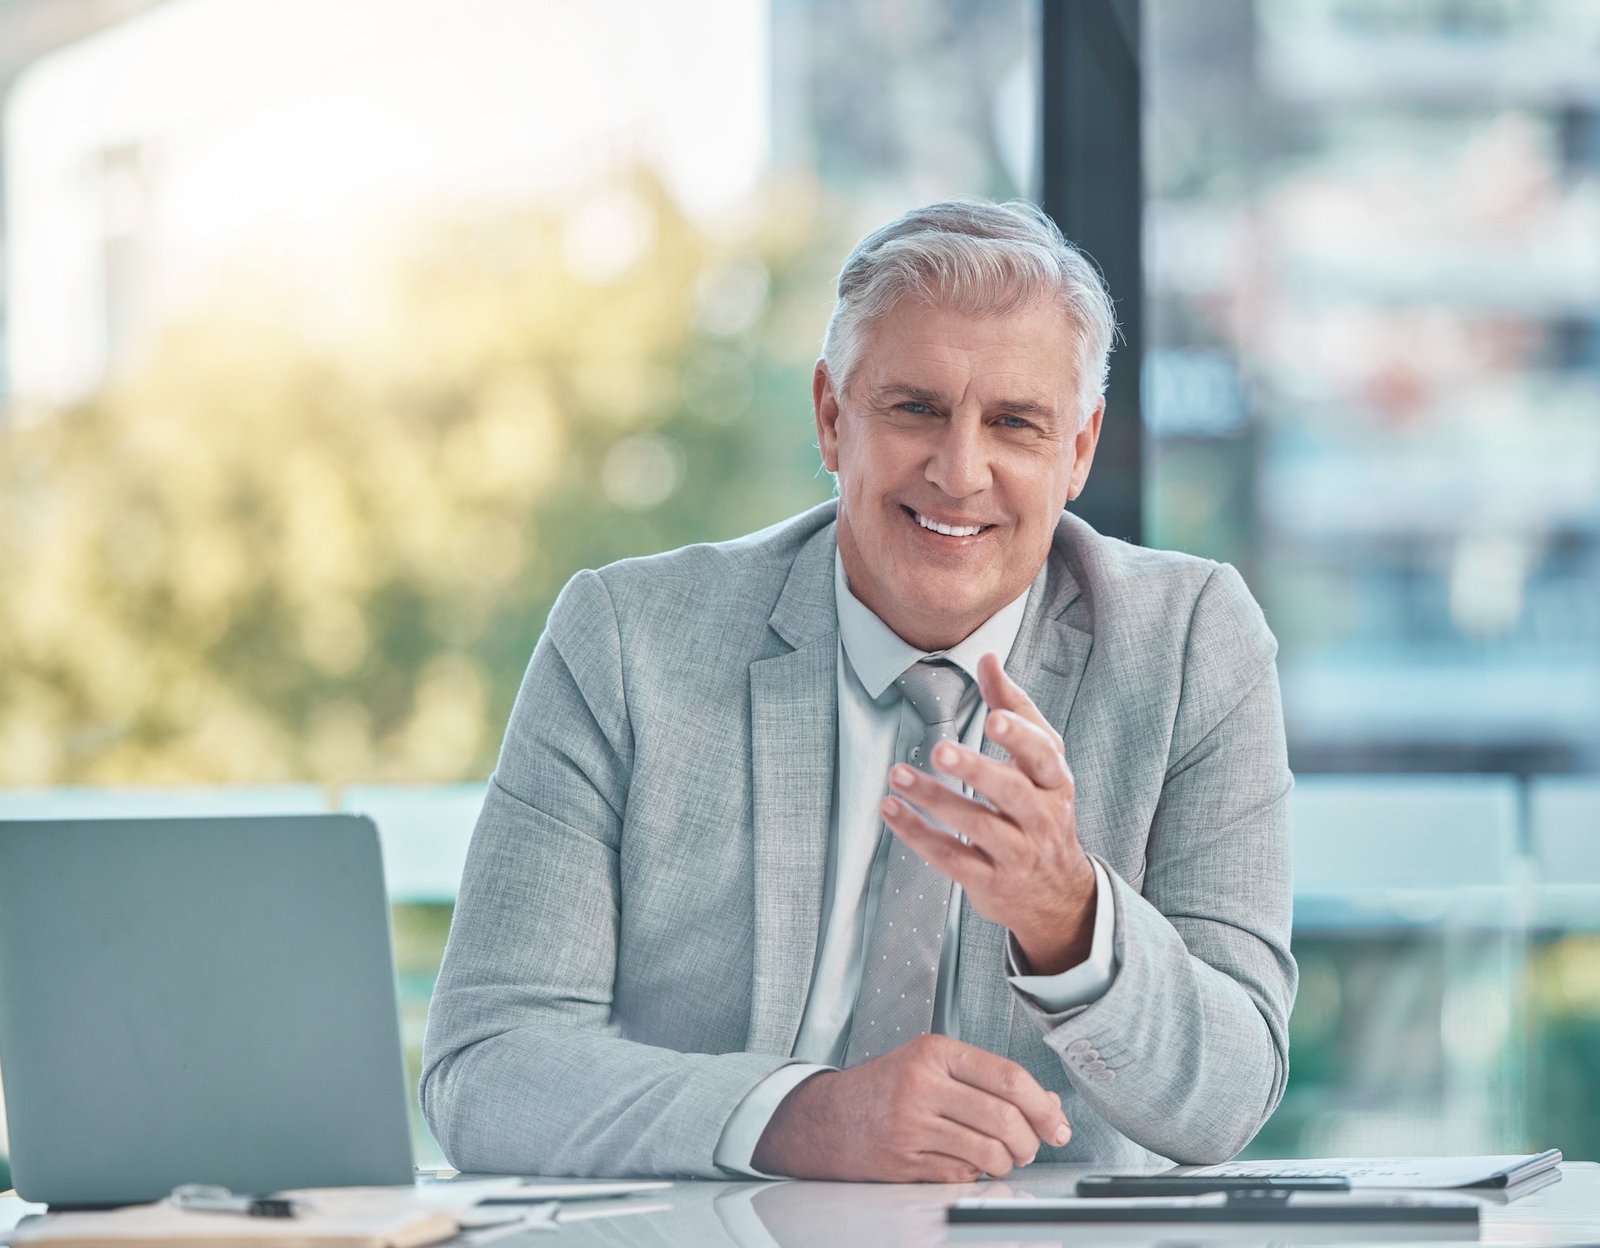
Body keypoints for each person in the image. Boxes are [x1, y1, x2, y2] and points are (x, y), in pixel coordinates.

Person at [421, 199, 1296, 1183]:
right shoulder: (630, 641)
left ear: (1079, 453)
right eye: (915, 409)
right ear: (833, 418)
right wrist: (801, 1119)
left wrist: (1066, 914)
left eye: (1014, 423)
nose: (960, 472)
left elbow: (1230, 1096)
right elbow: (484, 1068)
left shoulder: (1188, 644)